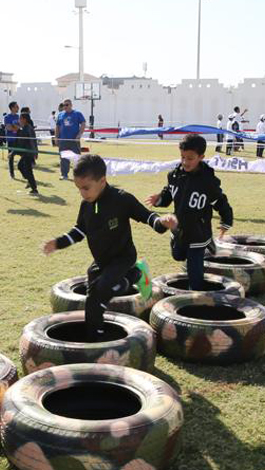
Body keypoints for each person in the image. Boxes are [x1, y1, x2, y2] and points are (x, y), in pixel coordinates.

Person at [42, 154, 176, 340]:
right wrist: (58, 242)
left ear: (103, 180)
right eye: (78, 188)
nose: (82, 193)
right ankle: (134, 275)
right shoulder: (87, 205)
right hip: (102, 261)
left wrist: (162, 221)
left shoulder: (122, 199)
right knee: (93, 285)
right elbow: (79, 231)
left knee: (97, 296)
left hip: (123, 257)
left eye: (86, 188)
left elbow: (148, 217)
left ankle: (95, 338)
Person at [145, 134, 233, 290]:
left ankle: (195, 292)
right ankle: (200, 244)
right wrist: (159, 199)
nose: (185, 162)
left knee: (194, 267)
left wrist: (226, 221)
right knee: (178, 255)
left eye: (190, 158)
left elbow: (221, 202)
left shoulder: (208, 182)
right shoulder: (174, 175)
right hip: (179, 230)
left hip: (198, 232)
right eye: (182, 157)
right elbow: (168, 195)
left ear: (201, 157)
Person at [55, 99, 85, 180]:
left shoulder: (77, 113)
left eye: (67, 105)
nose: (65, 107)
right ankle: (64, 174)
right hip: (63, 141)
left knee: (77, 159)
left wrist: (79, 135)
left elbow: (83, 123)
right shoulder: (60, 115)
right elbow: (57, 127)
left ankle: (79, 175)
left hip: (74, 141)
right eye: (64, 105)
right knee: (64, 158)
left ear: (71, 105)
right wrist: (56, 137)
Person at [16, 112, 39, 195]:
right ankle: (30, 181)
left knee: (28, 171)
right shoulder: (26, 128)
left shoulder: (27, 129)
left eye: (20, 118)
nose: (19, 120)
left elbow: (29, 141)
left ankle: (34, 189)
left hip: (28, 153)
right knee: (20, 166)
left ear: (24, 120)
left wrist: (35, 152)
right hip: (27, 152)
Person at [4, 101, 20, 179]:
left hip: (18, 139)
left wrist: (14, 126)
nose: (18, 108)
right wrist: (15, 127)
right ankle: (11, 174)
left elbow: (19, 127)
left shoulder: (18, 117)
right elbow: (8, 127)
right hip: (10, 139)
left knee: (23, 155)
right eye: (16, 106)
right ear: (12, 108)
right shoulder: (7, 117)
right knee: (11, 157)